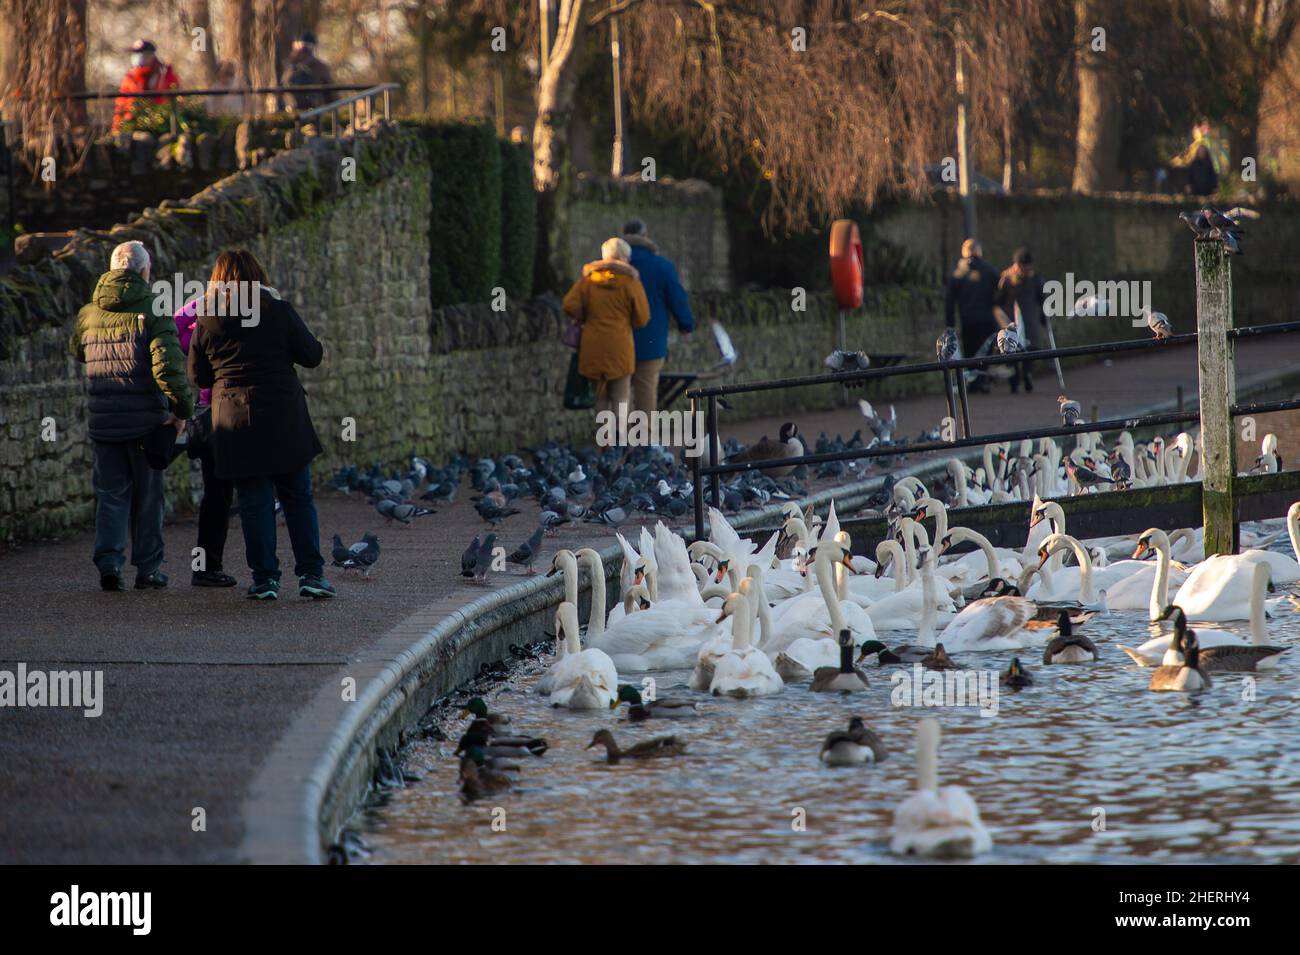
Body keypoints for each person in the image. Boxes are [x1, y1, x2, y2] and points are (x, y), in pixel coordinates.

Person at [187, 250, 334, 601]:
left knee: (254, 501)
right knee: (297, 495)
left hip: (234, 416)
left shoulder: (207, 317)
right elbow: (312, 355)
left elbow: (198, 375)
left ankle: (265, 578)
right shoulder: (276, 310)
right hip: (282, 412)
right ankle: (311, 574)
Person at [70, 240, 193, 591]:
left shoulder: (89, 312)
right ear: (143, 270)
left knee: (110, 495)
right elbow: (168, 370)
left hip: (104, 421)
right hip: (145, 423)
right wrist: (181, 411)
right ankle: (148, 568)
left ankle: (109, 563)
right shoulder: (154, 310)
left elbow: (78, 350)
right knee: (148, 498)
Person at [174, 297, 236, 587]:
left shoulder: (202, 315)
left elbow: (176, 325)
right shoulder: (260, 308)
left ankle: (208, 566)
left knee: (217, 494)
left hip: (211, 411)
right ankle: (265, 574)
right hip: (239, 412)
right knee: (251, 492)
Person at [562, 237, 650, 417]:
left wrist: (586, 316)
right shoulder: (630, 282)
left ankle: (604, 441)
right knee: (621, 396)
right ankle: (620, 439)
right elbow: (642, 318)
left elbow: (569, 304)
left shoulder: (588, 280)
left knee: (600, 397)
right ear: (625, 257)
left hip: (593, 344)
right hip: (620, 345)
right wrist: (627, 320)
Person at [621, 219, 695, 415]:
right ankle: (645, 440)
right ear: (645, 236)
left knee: (620, 391)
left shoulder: (614, 266)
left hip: (618, 340)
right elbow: (677, 299)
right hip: (651, 339)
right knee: (646, 390)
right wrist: (685, 326)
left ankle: (620, 441)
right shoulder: (662, 266)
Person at [944, 238, 1002, 392]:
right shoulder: (990, 270)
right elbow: (1001, 293)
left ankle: (973, 382)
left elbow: (949, 301)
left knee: (970, 352)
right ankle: (981, 380)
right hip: (987, 319)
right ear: (979, 251)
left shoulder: (957, 273)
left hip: (967, 320)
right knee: (986, 352)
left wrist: (950, 324)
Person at [993, 247, 1049, 394]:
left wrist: (1044, 317)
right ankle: (1015, 379)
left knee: (1031, 349)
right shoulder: (1006, 279)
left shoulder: (1036, 279)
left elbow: (1043, 299)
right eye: (1021, 266)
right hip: (1011, 322)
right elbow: (998, 301)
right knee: (1011, 352)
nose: (1024, 269)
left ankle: (1027, 374)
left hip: (1029, 320)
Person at [112, 40, 181, 133]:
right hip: (133, 125)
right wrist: (117, 128)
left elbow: (177, 98)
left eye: (140, 53)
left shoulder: (165, 73)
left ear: (151, 55)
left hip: (164, 125)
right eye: (135, 53)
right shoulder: (130, 77)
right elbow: (121, 104)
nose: (137, 56)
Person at [1169, 118, 1225, 196]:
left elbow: (1213, 178)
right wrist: (1188, 186)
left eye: (1203, 151)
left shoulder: (1209, 165)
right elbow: (1189, 176)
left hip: (1207, 193)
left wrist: (1215, 188)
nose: (1201, 153)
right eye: (1200, 151)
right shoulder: (1194, 164)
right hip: (1196, 193)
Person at [281, 32, 334, 111]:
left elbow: (331, 93)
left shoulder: (319, 67)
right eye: (297, 47)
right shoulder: (287, 67)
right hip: (289, 111)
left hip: (314, 111)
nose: (300, 51)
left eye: (305, 48)